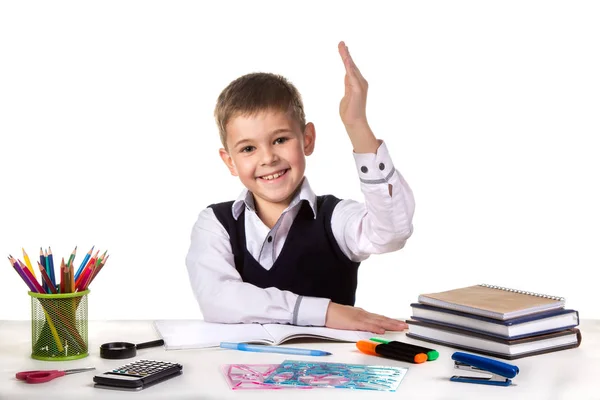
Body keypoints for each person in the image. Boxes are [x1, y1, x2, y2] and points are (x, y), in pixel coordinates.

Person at [185, 41, 415, 334]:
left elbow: (392, 232)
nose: (268, 158)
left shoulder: (335, 218)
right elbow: (217, 298)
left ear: (307, 139)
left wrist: (357, 124)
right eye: (248, 149)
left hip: (330, 373)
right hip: (239, 370)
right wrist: (325, 311)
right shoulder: (215, 223)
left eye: (280, 140)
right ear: (229, 162)